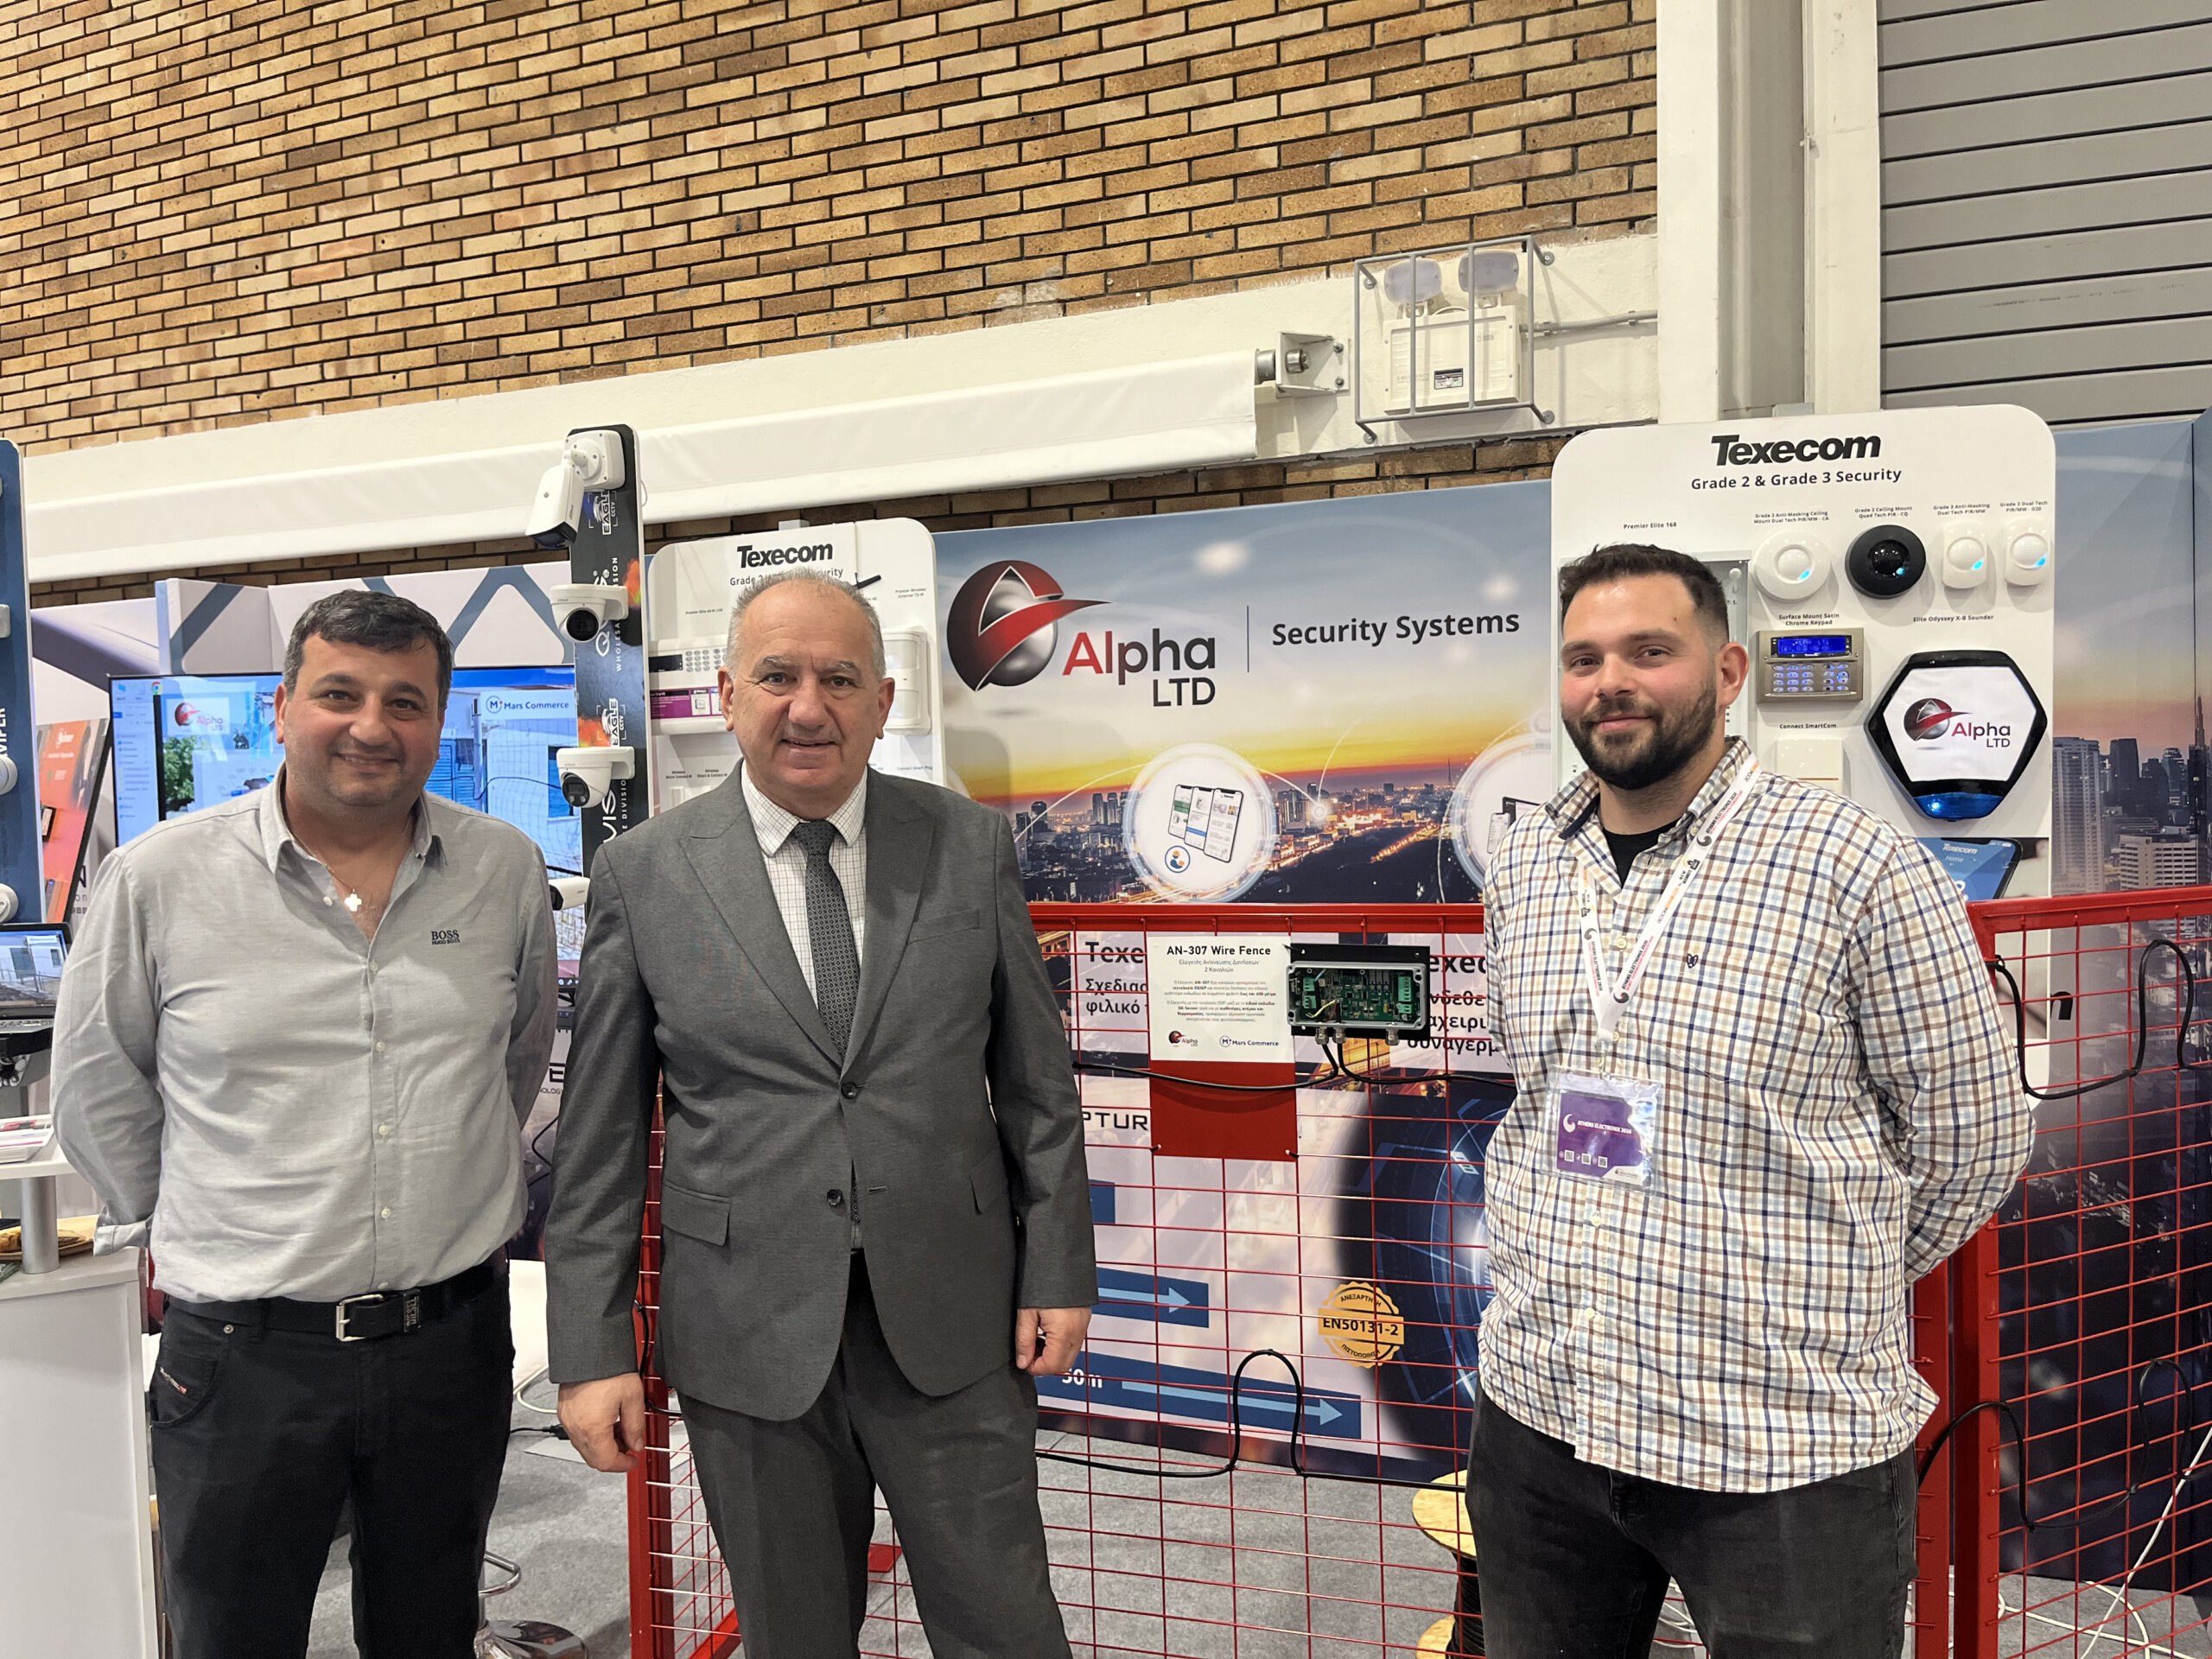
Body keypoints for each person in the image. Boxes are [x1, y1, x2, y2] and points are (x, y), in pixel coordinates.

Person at [1467, 544, 2031, 1657]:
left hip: (1774, 1442)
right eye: (1583, 659)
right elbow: (1535, 1101)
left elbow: (1974, 1137)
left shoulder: (1855, 865)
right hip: (1541, 1418)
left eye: (1649, 652)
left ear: (1726, 672)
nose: (1610, 683)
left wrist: (1815, 1282)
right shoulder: (1528, 864)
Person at [546, 569, 1096, 1657]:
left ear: (883, 702)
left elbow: (1039, 1088)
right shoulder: (642, 874)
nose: (809, 707)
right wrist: (590, 1348)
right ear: (726, 695)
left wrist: (1058, 1270)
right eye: (778, 677)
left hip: (954, 1317)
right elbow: (599, 1140)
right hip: (746, 1333)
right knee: (794, 1636)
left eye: (840, 680)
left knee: (1006, 1628)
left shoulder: (967, 846)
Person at [53, 590, 559, 1659]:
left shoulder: (504, 868)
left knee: (431, 1632)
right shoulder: (160, 878)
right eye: (339, 695)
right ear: (283, 708)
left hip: (450, 1347)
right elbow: (98, 1089)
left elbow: (510, 1063)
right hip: (244, 1357)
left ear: (440, 720)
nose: (372, 726)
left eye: (405, 702)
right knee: (235, 1636)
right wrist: (204, 1223)